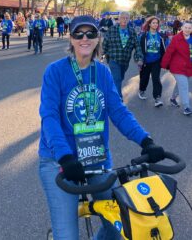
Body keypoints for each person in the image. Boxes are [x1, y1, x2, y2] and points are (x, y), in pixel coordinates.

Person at [39, 15, 166, 240]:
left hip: (96, 158)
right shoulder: (55, 71)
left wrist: (146, 141)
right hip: (60, 162)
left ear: (98, 38)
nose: (84, 38)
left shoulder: (103, 72)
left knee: (118, 225)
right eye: (79, 33)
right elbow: (49, 118)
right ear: (71, 37)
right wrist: (65, 157)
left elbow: (118, 112)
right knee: (67, 235)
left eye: (90, 33)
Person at [102, 11, 143, 99]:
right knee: (117, 78)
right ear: (119, 19)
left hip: (125, 60)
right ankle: (118, 99)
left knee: (120, 78)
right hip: (113, 58)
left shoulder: (132, 31)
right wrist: (102, 55)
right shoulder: (112, 29)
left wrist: (139, 58)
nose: (124, 20)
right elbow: (105, 43)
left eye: (126, 18)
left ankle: (112, 89)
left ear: (129, 19)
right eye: (122, 18)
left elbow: (137, 46)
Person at [161, 21, 192, 115]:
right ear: (181, 28)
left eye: (189, 28)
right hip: (177, 67)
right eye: (186, 27)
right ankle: (186, 107)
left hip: (188, 67)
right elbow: (169, 52)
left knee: (182, 84)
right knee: (184, 85)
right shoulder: (176, 38)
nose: (187, 29)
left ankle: (173, 99)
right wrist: (164, 64)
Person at [138, 16, 166, 107]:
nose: (155, 24)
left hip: (157, 61)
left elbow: (164, 49)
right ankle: (142, 90)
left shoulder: (160, 36)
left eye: (156, 23)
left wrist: (165, 61)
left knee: (156, 79)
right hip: (146, 61)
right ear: (149, 24)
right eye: (153, 23)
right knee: (144, 78)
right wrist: (140, 60)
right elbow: (140, 49)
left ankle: (157, 98)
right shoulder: (144, 36)